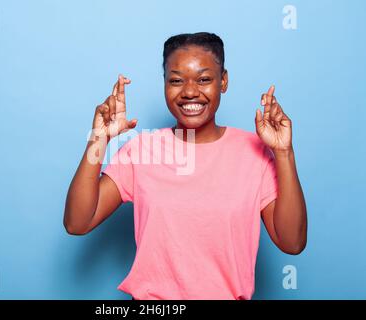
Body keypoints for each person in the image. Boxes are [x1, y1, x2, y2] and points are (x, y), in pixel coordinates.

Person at [64, 32, 307, 300]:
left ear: (223, 81)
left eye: (204, 79)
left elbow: (292, 242)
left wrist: (284, 152)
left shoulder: (254, 153)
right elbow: (78, 222)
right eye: (176, 81)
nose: (190, 92)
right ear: (165, 84)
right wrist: (98, 139)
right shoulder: (142, 150)